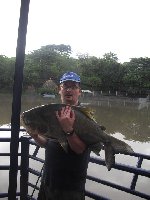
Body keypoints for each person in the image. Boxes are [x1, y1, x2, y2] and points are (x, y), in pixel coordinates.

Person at [27, 72, 91, 200]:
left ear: (79, 91)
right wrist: (35, 136)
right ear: (59, 90)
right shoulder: (53, 112)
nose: (69, 90)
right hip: (48, 181)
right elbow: (47, 143)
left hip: (70, 188)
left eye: (73, 87)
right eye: (65, 86)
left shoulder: (86, 117)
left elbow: (80, 149)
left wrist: (68, 130)